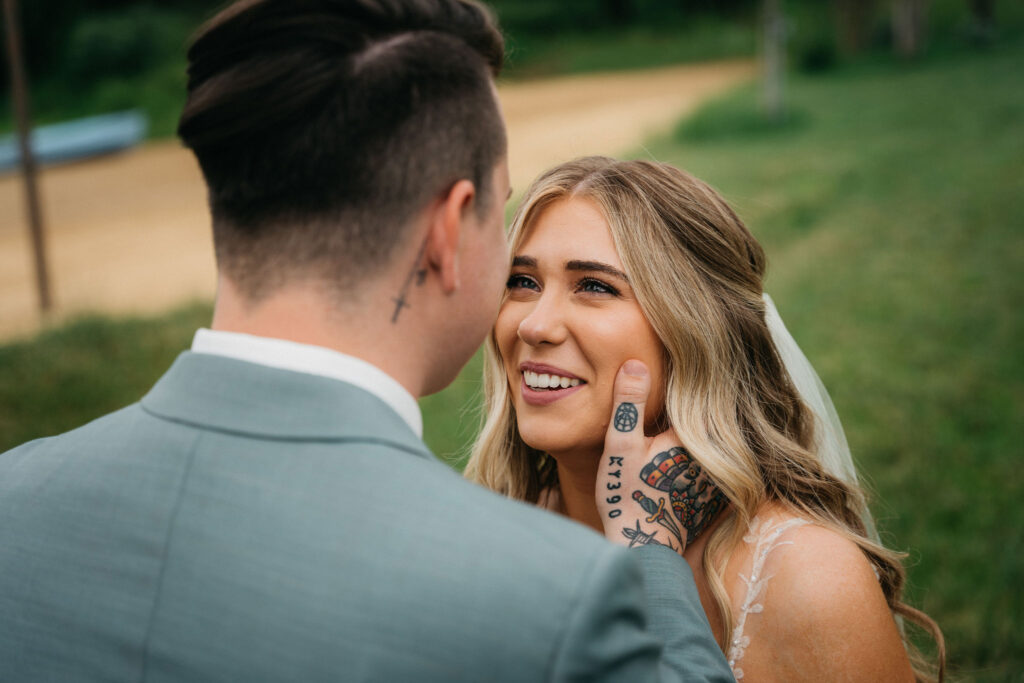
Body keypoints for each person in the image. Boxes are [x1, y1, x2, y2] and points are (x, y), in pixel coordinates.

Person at [0, 2, 735, 681]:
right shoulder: (550, 595)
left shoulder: (15, 499)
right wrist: (649, 554)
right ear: (450, 230)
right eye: (500, 218)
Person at [466, 156, 946, 682]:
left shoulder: (804, 579)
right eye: (522, 281)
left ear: (694, 333)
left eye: (595, 287)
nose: (534, 324)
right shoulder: (498, 534)